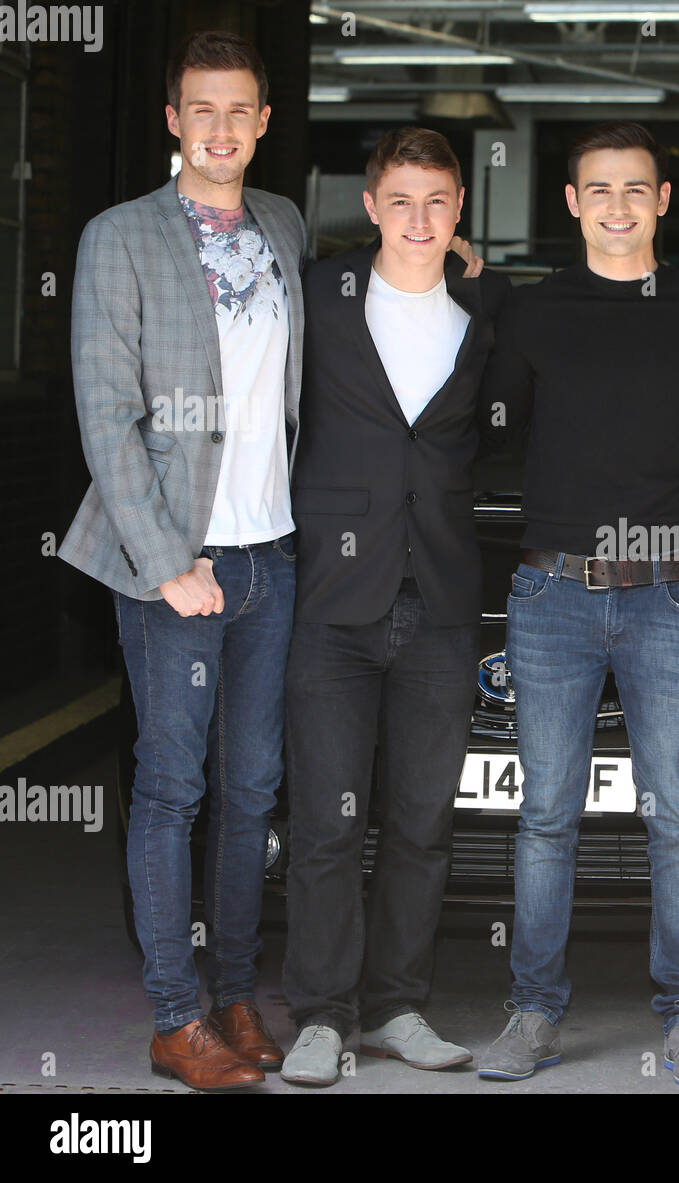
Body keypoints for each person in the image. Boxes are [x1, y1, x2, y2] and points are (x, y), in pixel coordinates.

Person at [59, 30, 306, 1091]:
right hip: (177, 565)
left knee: (253, 788)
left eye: (237, 110)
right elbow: (106, 412)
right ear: (174, 121)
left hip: (272, 554)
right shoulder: (119, 237)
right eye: (198, 110)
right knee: (172, 786)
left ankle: (236, 993)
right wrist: (167, 561)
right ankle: (174, 1015)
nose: (218, 129)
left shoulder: (286, 226)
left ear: (261, 122)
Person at [475, 121, 679, 1088]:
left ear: (663, 201)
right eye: (600, 189)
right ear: (572, 202)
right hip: (550, 592)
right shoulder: (532, 315)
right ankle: (534, 1010)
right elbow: (486, 427)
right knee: (546, 815)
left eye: (637, 188)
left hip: (669, 593)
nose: (618, 206)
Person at [278, 128, 509, 1087]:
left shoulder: (488, 313)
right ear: (370, 205)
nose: (419, 219)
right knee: (330, 820)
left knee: (422, 819)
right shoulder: (317, 298)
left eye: (438, 202)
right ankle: (322, 1018)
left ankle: (397, 1007)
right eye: (401, 200)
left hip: (444, 601)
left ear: (461, 211)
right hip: (334, 601)